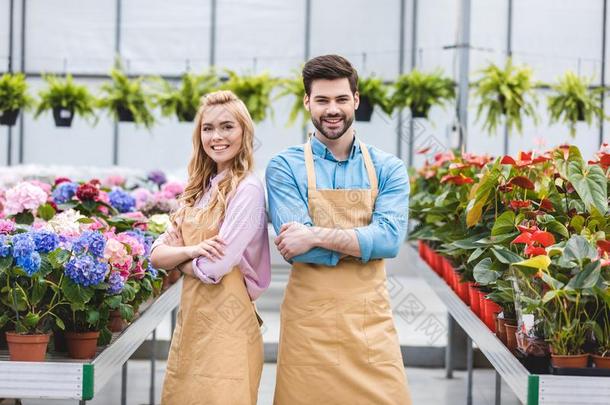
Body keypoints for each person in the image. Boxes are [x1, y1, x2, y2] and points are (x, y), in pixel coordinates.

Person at [266, 54, 412, 404]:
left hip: (368, 324)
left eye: (341, 99)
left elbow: (390, 241)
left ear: (356, 100)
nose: (332, 109)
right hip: (309, 326)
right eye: (322, 100)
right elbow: (292, 244)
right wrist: (362, 243)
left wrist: (315, 235)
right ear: (307, 102)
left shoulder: (388, 168)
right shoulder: (284, 167)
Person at [151, 90, 271, 405]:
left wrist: (179, 261)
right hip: (193, 323)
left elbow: (216, 267)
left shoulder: (248, 190)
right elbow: (156, 255)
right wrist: (192, 251)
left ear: (244, 132)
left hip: (228, 328)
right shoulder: (198, 190)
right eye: (208, 128)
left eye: (227, 126)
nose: (216, 136)